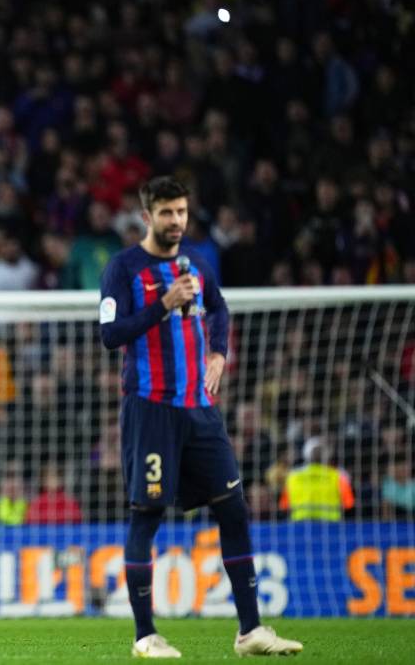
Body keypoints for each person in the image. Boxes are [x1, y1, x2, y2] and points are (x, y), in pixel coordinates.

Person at [99, 177, 301, 658]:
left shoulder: (197, 266)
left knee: (233, 509)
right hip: (151, 410)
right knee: (146, 516)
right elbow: (110, 334)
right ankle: (145, 636)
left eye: (182, 212)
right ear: (147, 217)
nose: (176, 222)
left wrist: (219, 354)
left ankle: (250, 630)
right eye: (167, 213)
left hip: (200, 411)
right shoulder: (123, 269)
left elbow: (220, 308)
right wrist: (162, 304)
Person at [279, 438, 355, 521]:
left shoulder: (293, 476)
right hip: (330, 526)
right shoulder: (338, 476)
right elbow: (349, 504)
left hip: (301, 526)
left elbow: (284, 506)